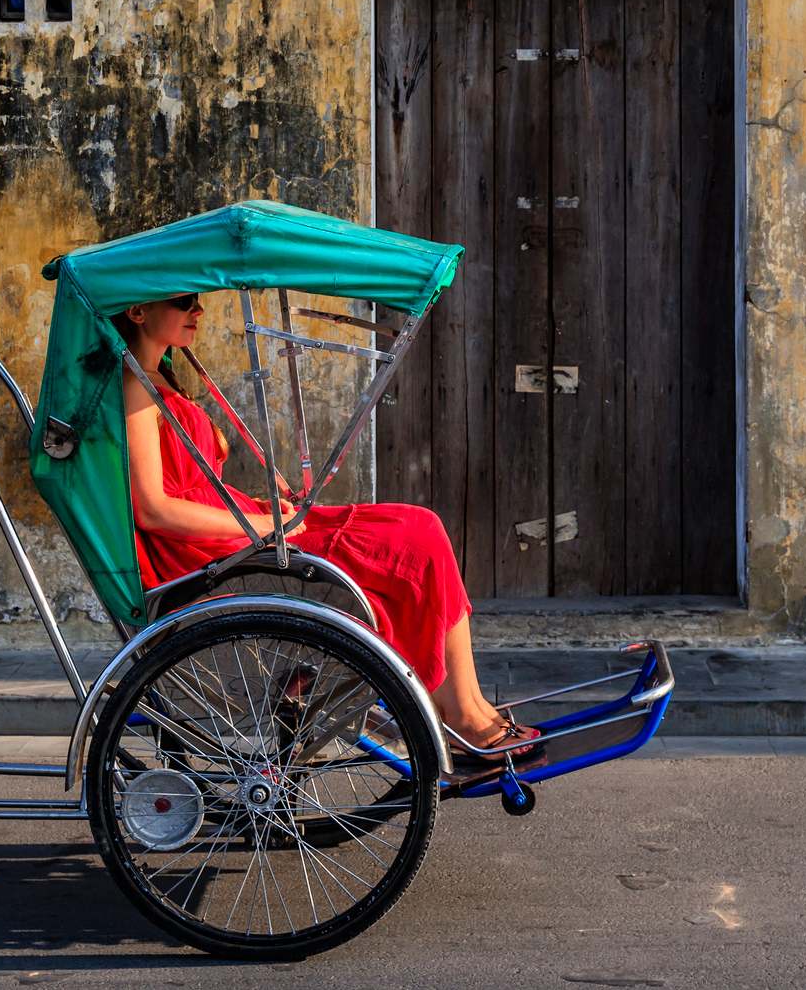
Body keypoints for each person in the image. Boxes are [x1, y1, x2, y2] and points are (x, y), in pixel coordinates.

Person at [115, 292, 541, 763]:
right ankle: (462, 717)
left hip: (238, 529)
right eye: (184, 302)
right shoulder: (135, 387)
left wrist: (261, 508)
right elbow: (153, 509)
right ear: (136, 310)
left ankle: (468, 706)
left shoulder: (159, 380)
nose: (198, 312)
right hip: (207, 552)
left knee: (419, 525)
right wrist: (262, 524)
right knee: (412, 538)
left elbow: (193, 485)